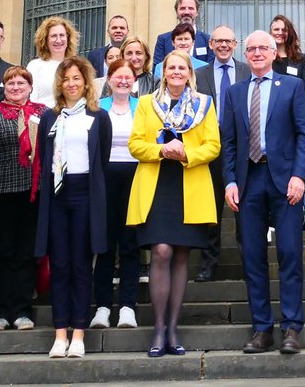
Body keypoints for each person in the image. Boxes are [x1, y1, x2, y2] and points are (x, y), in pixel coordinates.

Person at [221, 31, 305, 355]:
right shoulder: (233, 93)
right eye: (252, 49)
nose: (257, 52)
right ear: (245, 54)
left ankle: (291, 327)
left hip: (285, 180)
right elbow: (228, 142)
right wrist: (229, 181)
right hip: (248, 182)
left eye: (264, 48)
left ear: (274, 53)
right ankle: (262, 329)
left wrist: (301, 176)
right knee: (253, 258)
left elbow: (304, 134)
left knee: (289, 252)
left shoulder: (292, 86)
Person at [127, 50, 220, 358]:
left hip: (189, 183)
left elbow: (214, 145)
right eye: (172, 68)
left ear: (189, 72)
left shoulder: (204, 104)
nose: (177, 72)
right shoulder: (145, 104)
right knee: (161, 251)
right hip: (157, 186)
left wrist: (187, 155)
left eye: (183, 67)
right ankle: (157, 327)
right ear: (163, 72)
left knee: (180, 255)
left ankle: (172, 328)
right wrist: (162, 149)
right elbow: (135, 144)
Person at [35, 56, 113, 358]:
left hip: (85, 194)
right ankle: (60, 334)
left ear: (85, 83)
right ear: (59, 83)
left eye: (76, 79)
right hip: (57, 194)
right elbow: (44, 155)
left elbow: (101, 158)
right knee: (60, 266)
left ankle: (78, 333)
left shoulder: (97, 116)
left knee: (81, 266)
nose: (71, 84)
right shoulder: (50, 117)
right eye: (66, 79)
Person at [0, 66, 47, 332]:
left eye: (21, 83)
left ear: (30, 87)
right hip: (3, 193)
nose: (16, 87)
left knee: (26, 252)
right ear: (4, 88)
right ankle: (0, 311)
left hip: (34, 192)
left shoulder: (42, 113)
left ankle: (22, 310)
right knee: (2, 251)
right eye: (11, 83)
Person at [91, 59, 141, 328]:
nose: (123, 81)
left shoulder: (143, 107)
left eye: (128, 77)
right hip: (105, 177)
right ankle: (101, 306)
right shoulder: (98, 108)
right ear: (109, 79)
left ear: (134, 81)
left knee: (131, 243)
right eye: (118, 76)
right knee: (106, 243)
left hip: (136, 177)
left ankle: (128, 307)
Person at [193, 25, 240, 282]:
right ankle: (208, 263)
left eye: (228, 41)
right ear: (210, 45)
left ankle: (249, 262)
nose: (223, 45)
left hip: (240, 149)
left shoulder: (245, 71)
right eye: (218, 41)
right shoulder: (198, 75)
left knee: (244, 209)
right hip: (209, 149)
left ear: (235, 44)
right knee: (211, 209)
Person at [272, 14, 305, 232]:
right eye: (275, 29)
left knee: (299, 169)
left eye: (283, 29)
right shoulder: (268, 60)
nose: (279, 33)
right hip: (273, 124)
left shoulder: (300, 61)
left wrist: (300, 114)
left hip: (296, 123)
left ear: (289, 33)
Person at [26, 16, 79, 104]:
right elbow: (31, 100)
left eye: (62, 35)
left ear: (68, 38)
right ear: (45, 40)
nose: (58, 40)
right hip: (43, 116)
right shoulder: (35, 66)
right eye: (53, 36)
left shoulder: (76, 65)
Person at [152, 0, 211, 65]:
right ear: (176, 12)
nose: (186, 12)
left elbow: (210, 71)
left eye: (191, 8)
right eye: (182, 8)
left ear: (197, 13)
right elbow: (158, 71)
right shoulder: (163, 40)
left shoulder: (207, 40)